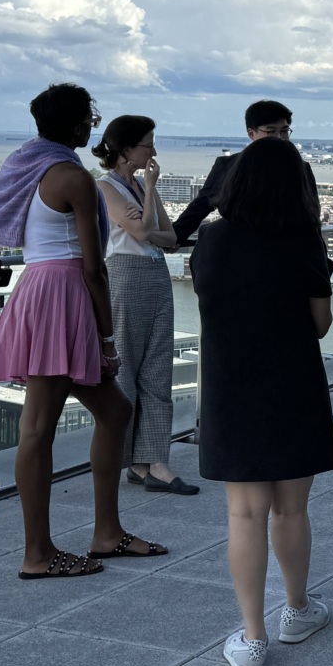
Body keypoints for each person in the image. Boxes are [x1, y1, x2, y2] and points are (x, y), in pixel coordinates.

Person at [0, 84, 170, 579]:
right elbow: (92, 266)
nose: (92, 125)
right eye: (88, 117)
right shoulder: (73, 177)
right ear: (76, 124)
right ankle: (37, 554)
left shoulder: (25, 164)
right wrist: (106, 339)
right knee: (38, 429)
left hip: (42, 292)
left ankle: (107, 533)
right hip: (62, 297)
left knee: (116, 409)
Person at [190, 137, 333, 666]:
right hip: (293, 383)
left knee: (245, 513)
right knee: (291, 508)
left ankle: (252, 639)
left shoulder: (211, 240)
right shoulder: (305, 241)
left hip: (233, 387)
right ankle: (296, 610)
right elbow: (322, 324)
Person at [92, 114, 196, 495]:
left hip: (154, 273)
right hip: (126, 274)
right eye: (147, 144)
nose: (153, 151)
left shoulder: (135, 186)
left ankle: (154, 461)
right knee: (129, 367)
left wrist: (147, 198)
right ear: (125, 149)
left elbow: (168, 237)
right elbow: (140, 230)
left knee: (157, 369)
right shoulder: (106, 188)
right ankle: (132, 461)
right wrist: (150, 191)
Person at [169, 99, 303, 248]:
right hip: (240, 248)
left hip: (286, 248)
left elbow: (308, 211)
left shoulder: (300, 167)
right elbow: (202, 204)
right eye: (271, 131)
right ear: (251, 133)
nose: (279, 137)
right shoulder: (228, 165)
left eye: (284, 131)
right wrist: (174, 237)